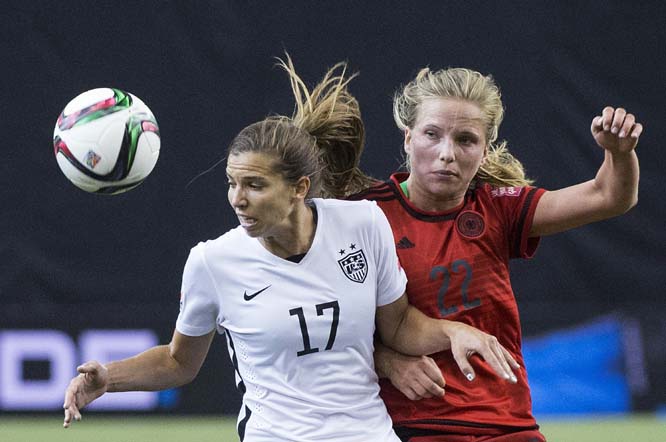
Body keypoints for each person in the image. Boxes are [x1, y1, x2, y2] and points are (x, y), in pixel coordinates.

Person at [62, 57, 521, 442]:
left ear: (300, 188)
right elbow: (178, 362)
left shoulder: (362, 224)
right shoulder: (212, 261)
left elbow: (398, 325)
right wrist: (109, 379)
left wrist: (453, 332)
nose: (237, 199)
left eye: (255, 186)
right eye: (232, 184)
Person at [345, 67, 642, 441]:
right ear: (408, 139)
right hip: (413, 425)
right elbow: (321, 327)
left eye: (465, 140)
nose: (446, 154)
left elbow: (610, 196)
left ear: (484, 153)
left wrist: (619, 152)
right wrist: (388, 362)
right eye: (431, 134)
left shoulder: (498, 209)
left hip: (507, 424)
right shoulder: (363, 215)